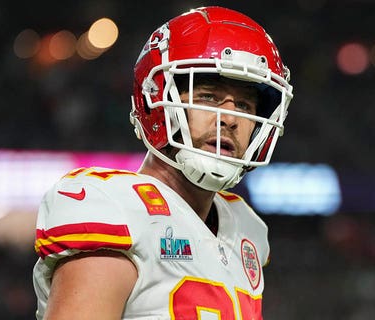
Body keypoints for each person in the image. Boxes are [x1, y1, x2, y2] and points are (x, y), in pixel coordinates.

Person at [32, 6, 293, 319]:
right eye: (208, 96)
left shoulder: (246, 230)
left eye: (243, 104)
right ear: (156, 101)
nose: (231, 119)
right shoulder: (115, 209)